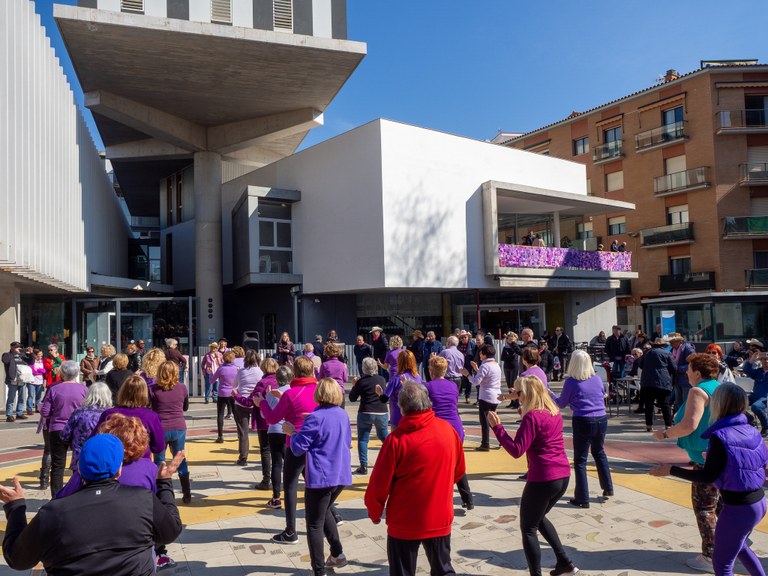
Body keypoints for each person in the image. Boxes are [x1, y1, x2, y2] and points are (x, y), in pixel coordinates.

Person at [0, 434, 183, 575]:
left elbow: (18, 559)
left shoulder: (53, 512)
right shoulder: (142, 500)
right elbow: (171, 531)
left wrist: (16, 508)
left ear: (79, 469)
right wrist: (164, 483)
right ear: (118, 469)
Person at [650, 384, 768, 576]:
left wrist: (671, 470)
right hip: (759, 502)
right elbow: (753, 464)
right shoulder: (750, 430)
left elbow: (707, 477)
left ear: (719, 405)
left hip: (738, 508)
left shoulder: (721, 436)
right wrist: (717, 460)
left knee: (722, 565)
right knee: (741, 547)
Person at [365, 382, 465, 576]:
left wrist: (374, 511)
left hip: (405, 520)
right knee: (444, 569)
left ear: (402, 408)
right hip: (439, 516)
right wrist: (439, 486)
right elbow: (459, 470)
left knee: (403, 571)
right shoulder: (448, 431)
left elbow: (379, 483)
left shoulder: (396, 440)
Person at [489, 375, 577, 576]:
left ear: (526, 394)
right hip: (562, 475)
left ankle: (536, 573)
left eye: (518, 393)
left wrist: (497, 428)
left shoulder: (532, 417)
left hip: (544, 478)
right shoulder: (553, 412)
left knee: (528, 528)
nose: (517, 397)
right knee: (539, 518)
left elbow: (516, 450)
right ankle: (565, 562)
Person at [652, 352, 722, 572]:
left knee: (704, 508)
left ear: (697, 373)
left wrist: (665, 434)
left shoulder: (697, 391)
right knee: (721, 506)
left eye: (689, 369)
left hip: (705, 456)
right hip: (718, 453)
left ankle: (711, 557)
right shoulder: (719, 388)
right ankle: (730, 546)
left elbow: (689, 425)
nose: (686, 373)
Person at [284, 378, 352, 576]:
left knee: (314, 524)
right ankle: (338, 554)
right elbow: (345, 440)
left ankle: (319, 570)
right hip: (340, 475)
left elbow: (297, 449)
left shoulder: (315, 418)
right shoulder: (342, 414)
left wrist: (293, 431)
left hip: (322, 477)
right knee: (326, 511)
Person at [255, 355, 318, 544]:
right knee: (315, 484)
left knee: (290, 486)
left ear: (295, 372)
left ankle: (291, 531)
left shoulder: (292, 393)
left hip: (296, 444)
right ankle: (332, 516)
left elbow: (273, 418)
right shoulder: (319, 389)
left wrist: (262, 403)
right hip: (315, 444)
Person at [550, 350, 613, 508]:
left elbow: (561, 403)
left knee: (580, 460)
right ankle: (608, 487)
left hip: (583, 420)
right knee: (599, 452)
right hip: (601, 418)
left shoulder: (571, 382)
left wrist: (549, 393)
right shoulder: (597, 379)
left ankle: (582, 498)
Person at [425, 355, 473, 509]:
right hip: (456, 426)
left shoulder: (427, 387)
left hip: (438, 429)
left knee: (438, 467)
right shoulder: (453, 386)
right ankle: (468, 498)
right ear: (445, 370)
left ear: (431, 370)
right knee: (457, 463)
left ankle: (440, 499)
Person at [38, 360, 87, 496]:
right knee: (78, 464)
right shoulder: (84, 390)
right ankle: (77, 494)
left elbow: (45, 413)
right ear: (77, 373)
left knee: (58, 465)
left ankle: (57, 497)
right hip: (77, 430)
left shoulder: (54, 389)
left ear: (62, 373)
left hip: (57, 428)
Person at [95, 374, 165, 460]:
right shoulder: (151, 416)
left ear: (122, 391)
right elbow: (158, 447)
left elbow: (95, 441)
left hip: (113, 463)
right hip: (141, 463)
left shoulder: (108, 414)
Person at [149, 361, 191, 504]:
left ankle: (163, 493)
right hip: (178, 426)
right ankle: (186, 493)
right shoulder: (182, 388)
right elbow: (185, 408)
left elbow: (149, 408)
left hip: (160, 427)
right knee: (179, 458)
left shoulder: (152, 389)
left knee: (159, 461)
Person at [60, 382, 112, 475]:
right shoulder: (110, 414)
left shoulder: (79, 412)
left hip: (81, 459)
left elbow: (65, 435)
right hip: (104, 459)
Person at [348, 357, 388, 475]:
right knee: (384, 436)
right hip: (381, 411)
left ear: (363, 369)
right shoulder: (381, 379)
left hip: (366, 411)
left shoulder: (361, 381)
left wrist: (355, 385)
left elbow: (352, 398)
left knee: (363, 439)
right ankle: (395, 458)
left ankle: (363, 466)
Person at [462, 343, 501, 451]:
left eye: (481, 353)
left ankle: (485, 443)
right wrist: (477, 369)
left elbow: (476, 382)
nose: (479, 354)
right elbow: (487, 377)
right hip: (496, 395)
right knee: (493, 420)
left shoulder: (485, 366)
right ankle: (501, 440)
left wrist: (467, 374)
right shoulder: (496, 365)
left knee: (484, 421)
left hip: (486, 396)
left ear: (484, 354)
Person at [636, 337, 676, 431]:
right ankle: (668, 425)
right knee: (665, 404)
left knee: (649, 404)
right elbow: (673, 368)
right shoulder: (667, 353)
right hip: (662, 381)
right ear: (663, 345)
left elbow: (641, 365)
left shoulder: (646, 353)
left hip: (647, 381)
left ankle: (649, 425)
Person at [231, 349, 263, 466]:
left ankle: (243, 456)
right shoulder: (260, 371)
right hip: (256, 401)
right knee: (261, 429)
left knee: (243, 431)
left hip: (241, 401)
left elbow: (234, 385)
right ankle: (263, 452)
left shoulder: (241, 371)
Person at [379, 349, 421, 428]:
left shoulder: (395, 378)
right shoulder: (418, 378)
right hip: (414, 415)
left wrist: (380, 393)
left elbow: (384, 399)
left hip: (397, 416)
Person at [210, 351, 239, 443]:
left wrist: (212, 374)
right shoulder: (237, 369)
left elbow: (211, 381)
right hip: (233, 393)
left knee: (220, 414)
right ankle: (239, 433)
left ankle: (220, 436)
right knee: (236, 414)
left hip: (222, 393)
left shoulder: (221, 369)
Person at [3, 341, 33, 422]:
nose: (18, 348)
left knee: (22, 398)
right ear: (12, 347)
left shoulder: (22, 356)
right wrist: (13, 353)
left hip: (22, 379)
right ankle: (9, 415)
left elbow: (31, 362)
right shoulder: (7, 355)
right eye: (16, 347)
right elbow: (5, 361)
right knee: (11, 398)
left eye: (19, 347)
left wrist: (30, 354)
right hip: (13, 379)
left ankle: (19, 413)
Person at [743, 346, 768, 437]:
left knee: (756, 407)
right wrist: (752, 359)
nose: (766, 362)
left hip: (765, 397)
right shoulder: (758, 372)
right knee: (737, 404)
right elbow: (746, 370)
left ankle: (766, 427)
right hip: (755, 395)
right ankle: (750, 419)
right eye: (764, 360)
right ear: (761, 361)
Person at [669, 332, 696, 411]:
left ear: (679, 341)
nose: (670, 344)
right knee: (678, 402)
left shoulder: (687, 348)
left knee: (686, 401)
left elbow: (693, 363)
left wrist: (677, 368)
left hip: (686, 379)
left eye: (672, 342)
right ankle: (679, 420)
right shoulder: (673, 349)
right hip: (677, 379)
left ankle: (686, 420)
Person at [457, 330, 476, 404]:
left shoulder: (472, 344)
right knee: (460, 380)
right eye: (462, 338)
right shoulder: (458, 345)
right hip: (460, 364)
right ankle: (458, 394)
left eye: (465, 337)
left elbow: (474, 355)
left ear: (468, 337)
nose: (463, 339)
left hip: (469, 364)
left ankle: (467, 396)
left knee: (469, 381)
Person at [29, 349, 46, 414]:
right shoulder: (32, 361)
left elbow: (44, 371)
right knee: (31, 395)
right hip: (32, 381)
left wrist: (39, 370)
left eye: (41, 355)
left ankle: (37, 408)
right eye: (39, 355)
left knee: (38, 396)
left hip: (40, 381)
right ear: (35, 355)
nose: (41, 357)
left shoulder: (42, 361)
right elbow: (33, 371)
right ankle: (29, 409)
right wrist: (39, 370)